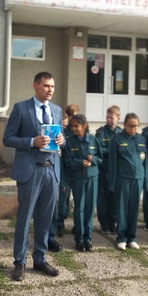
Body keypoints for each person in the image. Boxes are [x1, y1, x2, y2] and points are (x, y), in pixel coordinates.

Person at [3, 71, 64, 281]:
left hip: (51, 169)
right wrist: (31, 142)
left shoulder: (56, 110)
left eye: (52, 86)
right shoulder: (21, 108)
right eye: (46, 86)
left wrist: (62, 140)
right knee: (24, 217)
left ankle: (40, 258)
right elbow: (8, 138)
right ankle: (19, 262)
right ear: (35, 85)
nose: (50, 90)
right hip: (30, 171)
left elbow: (60, 139)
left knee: (45, 218)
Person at [108, 113, 148, 250]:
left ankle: (132, 237)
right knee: (122, 209)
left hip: (138, 178)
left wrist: (146, 181)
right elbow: (112, 163)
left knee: (134, 209)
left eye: (135, 126)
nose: (133, 128)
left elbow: (145, 162)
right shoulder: (117, 139)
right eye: (130, 126)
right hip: (123, 178)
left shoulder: (142, 139)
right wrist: (112, 183)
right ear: (124, 125)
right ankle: (121, 237)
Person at [63, 114, 101, 251]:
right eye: (72, 126)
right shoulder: (69, 142)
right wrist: (80, 163)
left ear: (84, 126)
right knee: (79, 209)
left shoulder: (93, 139)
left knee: (90, 208)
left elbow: (100, 158)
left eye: (76, 126)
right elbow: (67, 161)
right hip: (78, 178)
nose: (73, 128)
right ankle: (79, 239)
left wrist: (93, 159)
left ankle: (88, 238)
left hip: (92, 177)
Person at [48, 103, 79, 245]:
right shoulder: (59, 132)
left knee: (73, 201)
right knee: (60, 201)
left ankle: (74, 225)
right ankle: (58, 225)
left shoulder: (76, 132)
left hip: (72, 171)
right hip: (59, 170)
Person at [95, 105, 122, 234]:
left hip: (116, 171)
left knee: (114, 198)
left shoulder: (121, 133)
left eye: (112, 117)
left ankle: (113, 222)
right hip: (103, 169)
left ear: (118, 118)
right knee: (103, 198)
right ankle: (104, 223)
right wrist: (112, 151)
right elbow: (99, 149)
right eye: (107, 117)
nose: (109, 120)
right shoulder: (101, 132)